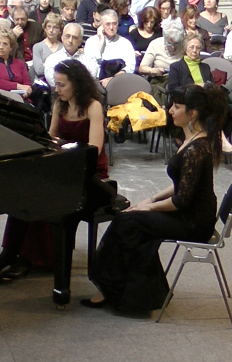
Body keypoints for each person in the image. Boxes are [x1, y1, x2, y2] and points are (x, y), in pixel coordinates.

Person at [83, 84, 223, 312]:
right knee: (131, 224)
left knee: (127, 222)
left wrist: (148, 208)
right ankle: (132, 292)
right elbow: (180, 185)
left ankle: (114, 289)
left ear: (192, 113)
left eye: (176, 106)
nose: (170, 110)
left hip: (193, 222)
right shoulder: (192, 140)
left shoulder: (196, 149)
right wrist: (150, 200)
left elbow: (180, 200)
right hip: (189, 213)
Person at [0, 59, 106, 280]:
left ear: (76, 84)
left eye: (62, 85)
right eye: (56, 84)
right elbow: (51, 138)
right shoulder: (60, 105)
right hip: (65, 165)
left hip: (88, 169)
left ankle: (30, 257)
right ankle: (11, 251)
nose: (57, 89)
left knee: (45, 196)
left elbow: (94, 149)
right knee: (24, 192)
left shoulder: (93, 106)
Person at [83, 10, 137, 86]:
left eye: (114, 24)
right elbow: (91, 69)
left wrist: (113, 79)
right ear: (101, 25)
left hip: (119, 81)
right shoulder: (91, 42)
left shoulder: (125, 43)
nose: (111, 28)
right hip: (95, 82)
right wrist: (101, 41)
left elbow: (130, 67)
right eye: (107, 24)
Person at [0, 29, 32, 98]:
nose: (1, 47)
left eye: (5, 44)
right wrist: (18, 86)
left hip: (20, 98)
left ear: (11, 47)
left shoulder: (20, 63)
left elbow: (27, 84)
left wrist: (26, 93)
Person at [32, 14, 64, 82]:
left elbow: (65, 70)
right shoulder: (37, 47)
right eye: (49, 26)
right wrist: (57, 64)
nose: (51, 30)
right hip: (42, 83)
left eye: (55, 27)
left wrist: (45, 64)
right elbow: (39, 70)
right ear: (45, 28)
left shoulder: (63, 47)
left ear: (60, 30)